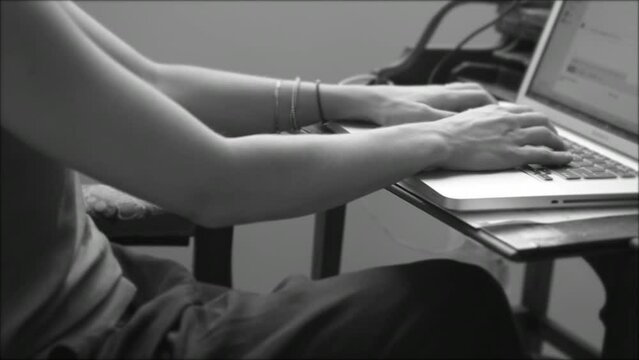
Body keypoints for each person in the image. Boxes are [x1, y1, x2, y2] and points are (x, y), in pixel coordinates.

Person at [1, 2, 572, 359]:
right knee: (455, 307)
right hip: (81, 339)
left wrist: (370, 101)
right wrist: (446, 141)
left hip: (116, 287)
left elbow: (153, 85)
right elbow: (213, 184)